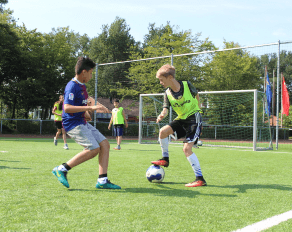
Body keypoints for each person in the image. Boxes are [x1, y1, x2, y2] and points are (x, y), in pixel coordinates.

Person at [52, 57, 121, 189]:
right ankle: (61, 169)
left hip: (81, 122)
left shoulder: (82, 86)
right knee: (93, 149)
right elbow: (67, 107)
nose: (91, 75)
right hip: (72, 124)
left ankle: (102, 181)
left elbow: (87, 100)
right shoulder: (72, 86)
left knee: (104, 144)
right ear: (84, 72)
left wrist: (97, 106)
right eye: (91, 73)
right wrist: (90, 108)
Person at [151, 64, 206, 187]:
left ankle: (200, 179)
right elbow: (165, 108)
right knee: (163, 132)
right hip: (181, 119)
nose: (160, 83)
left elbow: (196, 95)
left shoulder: (187, 85)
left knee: (187, 149)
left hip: (193, 118)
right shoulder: (167, 93)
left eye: (161, 80)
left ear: (170, 77)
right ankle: (165, 160)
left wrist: (198, 109)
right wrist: (162, 114)